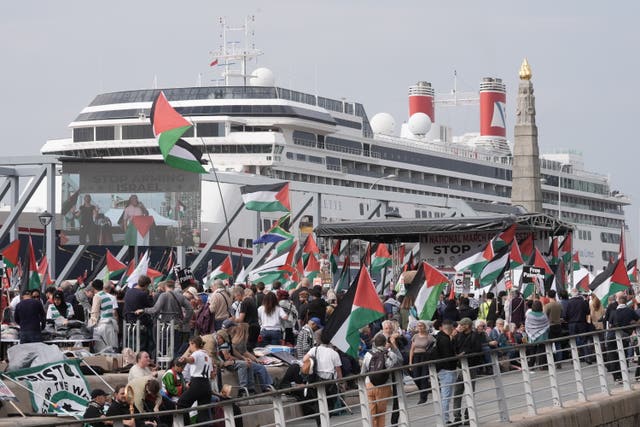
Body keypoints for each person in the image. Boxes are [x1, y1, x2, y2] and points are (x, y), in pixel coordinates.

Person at [138, 279, 194, 355]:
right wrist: (185, 320)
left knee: (163, 347)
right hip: (177, 325)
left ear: (165, 286)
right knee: (175, 349)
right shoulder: (180, 296)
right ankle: (174, 365)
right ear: (173, 286)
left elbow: (155, 309)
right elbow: (190, 308)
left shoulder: (163, 295)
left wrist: (144, 310)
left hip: (166, 325)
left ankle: (163, 365)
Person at [362, 334, 403, 427]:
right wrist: (393, 346)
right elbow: (400, 361)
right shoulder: (389, 354)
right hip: (384, 385)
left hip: (369, 384)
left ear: (374, 344)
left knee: (372, 411)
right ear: (385, 343)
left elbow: (363, 371)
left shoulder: (368, 354)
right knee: (381, 412)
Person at [452, 317, 483, 424]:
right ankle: (457, 416)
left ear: (467, 326)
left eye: (462, 325)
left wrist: (465, 353)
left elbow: (478, 349)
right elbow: (454, 348)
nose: (459, 326)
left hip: (471, 366)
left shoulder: (475, 336)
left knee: (470, 391)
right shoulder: (458, 336)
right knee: (457, 391)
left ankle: (468, 415)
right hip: (460, 366)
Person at [177, 336, 214, 425]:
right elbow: (212, 374)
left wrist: (185, 359)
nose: (189, 347)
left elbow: (191, 360)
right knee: (203, 412)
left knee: (182, 404)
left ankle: (186, 425)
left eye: (190, 345)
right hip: (207, 385)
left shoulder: (196, 353)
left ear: (193, 344)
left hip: (197, 384)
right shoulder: (208, 356)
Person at [605, 294, 639, 382]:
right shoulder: (630, 311)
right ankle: (623, 374)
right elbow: (637, 320)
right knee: (622, 354)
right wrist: (631, 325)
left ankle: (616, 376)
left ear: (618, 301)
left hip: (612, 336)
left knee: (613, 355)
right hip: (624, 336)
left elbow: (610, 324)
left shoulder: (613, 312)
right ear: (626, 301)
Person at [433, 319, 457, 425]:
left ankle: (444, 418)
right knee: (446, 396)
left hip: (441, 370)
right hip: (447, 370)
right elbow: (448, 356)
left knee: (445, 395)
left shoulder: (439, 337)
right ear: (451, 328)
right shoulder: (445, 340)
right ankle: (445, 420)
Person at [124, 275, 155, 355]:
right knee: (150, 340)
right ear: (146, 285)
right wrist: (151, 296)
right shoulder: (142, 294)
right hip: (141, 321)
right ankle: (149, 356)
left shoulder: (128, 292)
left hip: (129, 321)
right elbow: (151, 306)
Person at [89, 279, 119, 352]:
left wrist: (89, 326)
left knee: (101, 349)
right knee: (111, 349)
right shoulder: (107, 296)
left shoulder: (97, 296)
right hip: (110, 324)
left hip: (102, 326)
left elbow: (94, 313)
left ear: (93, 288)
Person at [409, 320, 434, 404]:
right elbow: (412, 349)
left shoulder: (429, 337)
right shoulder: (415, 336)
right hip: (416, 357)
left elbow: (433, 346)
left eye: (421, 326)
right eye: (418, 326)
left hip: (425, 357)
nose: (419, 327)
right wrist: (410, 362)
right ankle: (424, 390)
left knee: (423, 378)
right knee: (416, 376)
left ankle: (423, 397)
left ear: (425, 327)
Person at [564, 287, 592, 362]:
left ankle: (575, 358)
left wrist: (568, 320)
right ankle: (587, 357)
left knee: (573, 341)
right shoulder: (582, 301)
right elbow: (588, 312)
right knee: (584, 340)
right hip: (582, 323)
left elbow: (565, 315)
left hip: (572, 324)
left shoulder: (569, 302)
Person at [525, 301, 550, 370]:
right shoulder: (544, 315)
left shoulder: (529, 315)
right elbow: (547, 325)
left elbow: (527, 325)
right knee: (542, 350)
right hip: (542, 335)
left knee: (532, 351)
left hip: (532, 335)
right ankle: (543, 366)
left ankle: (531, 366)